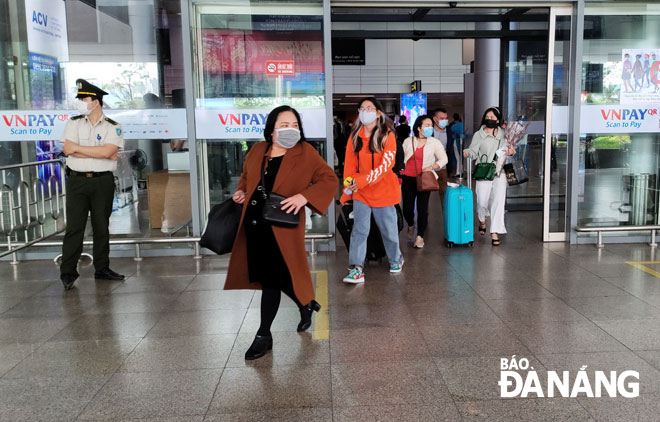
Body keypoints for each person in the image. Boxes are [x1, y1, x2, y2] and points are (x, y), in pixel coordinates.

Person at [225, 106, 337, 360]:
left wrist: (304, 196)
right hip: (255, 225)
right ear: (272, 129)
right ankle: (306, 304)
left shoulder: (305, 153)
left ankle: (263, 335)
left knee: (271, 281)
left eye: (295, 124)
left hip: (282, 227)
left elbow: (328, 179)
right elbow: (246, 178)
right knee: (276, 277)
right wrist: (241, 192)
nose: (291, 129)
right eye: (285, 124)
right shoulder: (256, 151)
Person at [59, 79, 125, 290]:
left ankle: (102, 269)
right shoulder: (74, 122)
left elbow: (107, 152)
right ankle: (68, 272)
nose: (79, 102)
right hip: (76, 181)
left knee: (101, 226)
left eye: (83, 99)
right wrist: (100, 151)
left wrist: (80, 148)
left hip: (102, 182)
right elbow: (68, 149)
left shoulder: (113, 127)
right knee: (75, 227)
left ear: (95, 102)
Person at [340, 97, 404, 284]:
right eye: (362, 108)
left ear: (378, 113)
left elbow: (386, 166)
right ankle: (356, 268)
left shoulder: (387, 136)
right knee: (359, 231)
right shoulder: (354, 137)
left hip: (384, 191)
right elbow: (349, 168)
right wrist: (348, 188)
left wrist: (362, 181)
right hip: (361, 193)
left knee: (389, 231)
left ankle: (396, 259)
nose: (364, 111)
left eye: (369, 108)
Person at [463, 107, 515, 246]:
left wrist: (511, 151)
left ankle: (494, 231)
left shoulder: (504, 134)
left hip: (500, 172)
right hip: (484, 171)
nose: (489, 119)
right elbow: (473, 152)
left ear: (498, 120)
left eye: (492, 117)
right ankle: (482, 219)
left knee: (498, 202)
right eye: (487, 117)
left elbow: (510, 149)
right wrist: (468, 152)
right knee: (482, 202)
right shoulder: (479, 135)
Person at [401, 115, 447, 249]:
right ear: (419, 128)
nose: (430, 128)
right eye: (426, 125)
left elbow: (444, 159)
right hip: (408, 178)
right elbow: (401, 158)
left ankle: (420, 236)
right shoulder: (408, 141)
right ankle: (410, 224)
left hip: (425, 178)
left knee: (422, 209)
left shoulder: (434, 142)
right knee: (407, 209)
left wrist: (433, 166)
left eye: (431, 125)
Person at [432, 108, 450, 200]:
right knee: (429, 195)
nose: (444, 121)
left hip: (443, 168)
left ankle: (444, 213)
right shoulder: (429, 132)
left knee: (444, 194)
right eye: (441, 118)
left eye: (446, 118)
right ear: (435, 119)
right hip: (430, 168)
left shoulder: (449, 132)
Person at [449, 113, 465, 177]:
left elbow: (450, 133)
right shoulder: (463, 125)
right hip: (462, 142)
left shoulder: (454, 126)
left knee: (458, 157)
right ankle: (461, 171)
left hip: (456, 142)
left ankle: (459, 172)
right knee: (461, 157)